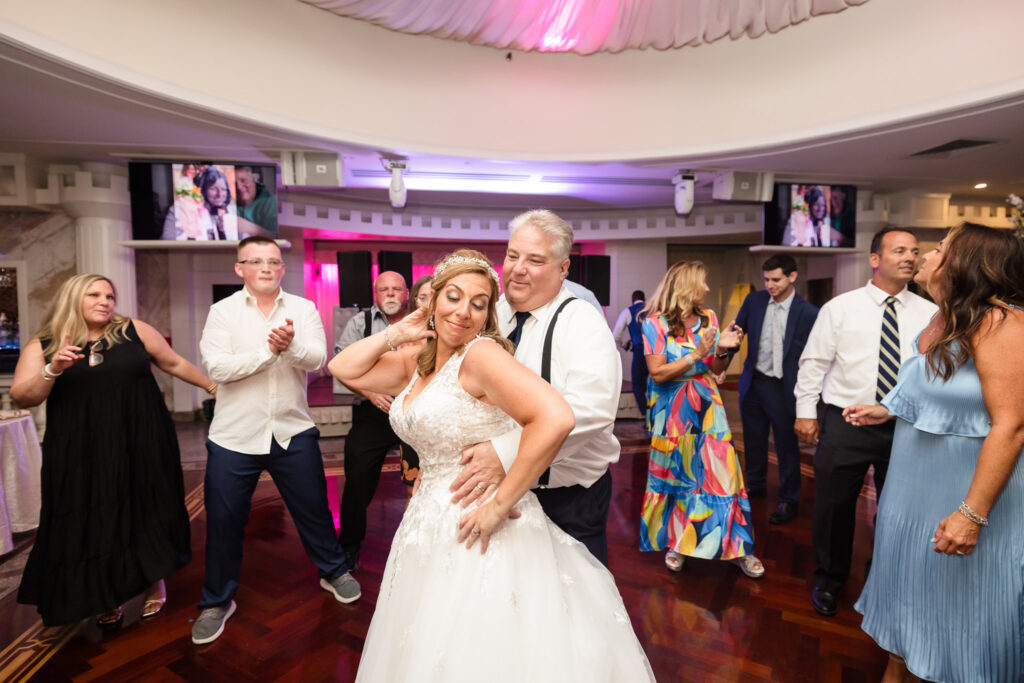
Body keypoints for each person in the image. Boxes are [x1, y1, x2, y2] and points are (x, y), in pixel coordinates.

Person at [329, 250, 655, 682]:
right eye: (453, 296)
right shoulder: (418, 359)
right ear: (432, 300)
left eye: (479, 303)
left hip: (477, 521)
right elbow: (341, 367)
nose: (463, 311)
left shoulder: (481, 355)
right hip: (425, 521)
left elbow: (555, 418)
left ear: (487, 314)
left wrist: (501, 505)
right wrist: (400, 333)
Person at [846, 223, 1024, 682]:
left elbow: (1012, 425)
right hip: (911, 495)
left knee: (962, 625)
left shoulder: (1002, 324)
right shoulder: (939, 318)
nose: (925, 256)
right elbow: (939, 393)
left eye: (939, 248)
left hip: (964, 496)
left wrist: (971, 513)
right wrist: (886, 412)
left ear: (964, 263)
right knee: (909, 619)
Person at [12, 274, 211, 627]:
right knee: (93, 512)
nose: (106, 301)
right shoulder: (45, 342)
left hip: (142, 437)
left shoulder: (133, 330)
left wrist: (213, 387)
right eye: (95, 294)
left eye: (110, 296)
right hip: (80, 448)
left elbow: (174, 363)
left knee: (144, 506)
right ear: (74, 298)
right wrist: (52, 368)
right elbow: (23, 396)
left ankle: (154, 581)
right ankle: (103, 593)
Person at [193, 236, 358, 645]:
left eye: (273, 262)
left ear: (282, 268)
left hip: (292, 430)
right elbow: (217, 367)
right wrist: (271, 353)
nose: (266, 268)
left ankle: (333, 571)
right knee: (225, 521)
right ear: (240, 268)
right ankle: (218, 600)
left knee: (315, 510)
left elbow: (319, 360)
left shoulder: (302, 309)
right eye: (256, 262)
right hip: (234, 435)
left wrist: (290, 346)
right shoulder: (222, 312)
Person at [448, 210, 622, 566]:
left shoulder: (582, 320)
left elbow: (590, 411)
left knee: (575, 603)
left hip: (566, 500)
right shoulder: (488, 313)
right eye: (513, 255)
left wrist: (503, 453)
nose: (517, 268)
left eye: (535, 260)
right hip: (490, 493)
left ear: (563, 268)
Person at [794, 227, 937, 617]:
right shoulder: (840, 308)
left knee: (899, 508)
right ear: (875, 259)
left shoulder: (931, 314)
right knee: (834, 507)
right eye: (899, 250)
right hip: (846, 421)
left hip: (907, 423)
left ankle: (884, 577)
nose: (910, 257)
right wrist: (806, 411)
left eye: (915, 251)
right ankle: (830, 579)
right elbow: (814, 363)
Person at [639, 261, 764, 578]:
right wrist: (697, 353)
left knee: (725, 477)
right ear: (685, 287)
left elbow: (717, 370)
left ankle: (739, 547)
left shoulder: (709, 318)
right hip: (672, 413)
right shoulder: (653, 324)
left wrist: (723, 350)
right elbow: (658, 372)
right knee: (681, 479)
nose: (708, 289)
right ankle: (679, 544)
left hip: (709, 409)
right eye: (703, 283)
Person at [730, 254, 818, 524]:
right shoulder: (754, 301)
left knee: (785, 445)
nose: (770, 284)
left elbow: (813, 357)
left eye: (776, 279)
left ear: (792, 277)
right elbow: (736, 334)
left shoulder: (808, 313)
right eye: (766, 279)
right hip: (755, 383)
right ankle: (755, 486)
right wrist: (722, 360)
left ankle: (789, 499)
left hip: (784, 388)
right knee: (753, 441)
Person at [335, 271, 410, 568]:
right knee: (357, 478)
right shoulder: (360, 323)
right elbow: (341, 365)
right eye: (384, 290)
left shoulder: (422, 320)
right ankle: (349, 547)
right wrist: (370, 393)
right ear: (375, 295)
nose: (390, 294)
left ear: (406, 294)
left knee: (424, 479)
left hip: (414, 411)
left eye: (396, 289)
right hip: (374, 411)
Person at [612, 289, 649, 415]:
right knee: (652, 384)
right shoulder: (653, 310)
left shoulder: (628, 311)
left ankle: (647, 416)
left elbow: (615, 335)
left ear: (632, 300)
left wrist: (624, 345)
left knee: (637, 385)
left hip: (639, 351)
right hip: (655, 351)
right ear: (644, 299)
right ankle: (654, 416)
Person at [782, 186, 846, 247]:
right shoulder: (797, 221)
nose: (820, 209)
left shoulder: (827, 224)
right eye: (816, 204)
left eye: (823, 205)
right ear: (810, 205)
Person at [234, 165, 279, 238]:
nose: (239, 187)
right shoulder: (226, 205)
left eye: (243, 180)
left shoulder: (272, 203)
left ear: (253, 180)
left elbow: (280, 238)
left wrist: (251, 228)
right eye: (234, 183)